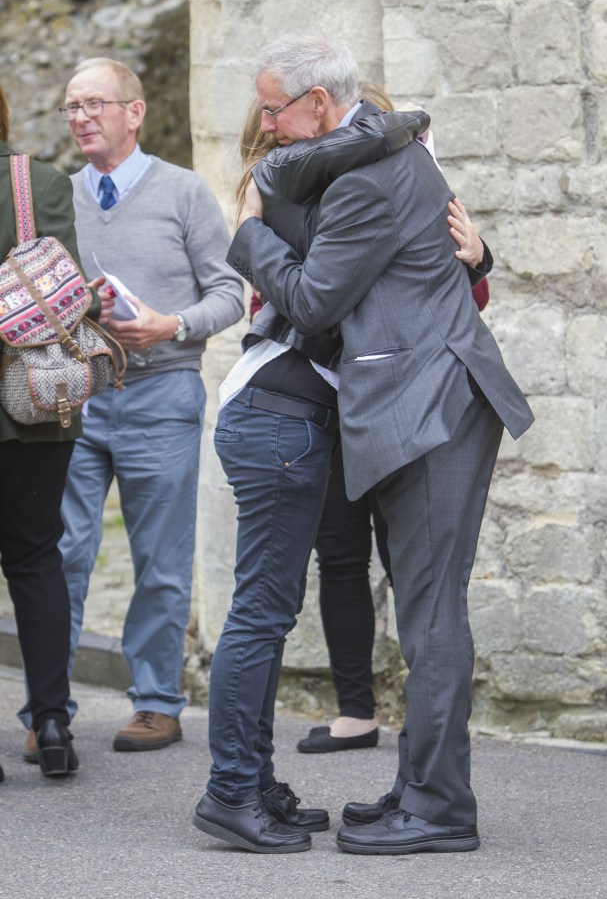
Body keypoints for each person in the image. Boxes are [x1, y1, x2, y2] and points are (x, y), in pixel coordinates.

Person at [224, 33, 535, 855]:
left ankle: (438, 807)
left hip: (431, 405)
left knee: (431, 616)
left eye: (273, 110)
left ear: (320, 105)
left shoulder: (365, 176)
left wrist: (250, 233)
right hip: (427, 402)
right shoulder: (379, 150)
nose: (267, 125)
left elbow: (317, 302)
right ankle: (421, 784)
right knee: (427, 608)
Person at [193, 101, 434, 854]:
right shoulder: (292, 192)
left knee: (268, 610)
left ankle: (253, 781)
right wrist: (407, 122)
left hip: (288, 418)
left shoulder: (308, 194)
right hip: (278, 419)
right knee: (261, 612)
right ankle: (231, 790)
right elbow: (314, 295)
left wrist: (476, 255)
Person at [20, 57, 244, 757]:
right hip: (75, 399)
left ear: (134, 112)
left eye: (95, 104)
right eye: (71, 107)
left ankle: (155, 702)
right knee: (62, 552)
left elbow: (231, 293)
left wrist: (168, 325)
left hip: (162, 393)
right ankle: (47, 710)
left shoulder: (183, 192)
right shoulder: (58, 194)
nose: (81, 117)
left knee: (161, 557)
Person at [0, 81, 99, 776]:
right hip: (34, 400)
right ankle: (54, 721)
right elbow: (71, 291)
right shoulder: (40, 183)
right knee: (37, 557)